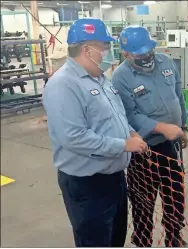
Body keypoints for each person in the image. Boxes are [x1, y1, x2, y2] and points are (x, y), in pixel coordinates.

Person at [43, 18, 148, 247]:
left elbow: (116, 114)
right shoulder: (63, 85)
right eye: (104, 47)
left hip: (114, 178)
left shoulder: (100, 79)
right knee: (95, 241)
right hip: (88, 185)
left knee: (114, 239)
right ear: (87, 49)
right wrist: (123, 145)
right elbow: (73, 137)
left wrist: (130, 133)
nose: (108, 53)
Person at [111, 26, 188, 247]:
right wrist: (160, 127)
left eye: (148, 51)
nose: (146, 57)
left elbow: (178, 95)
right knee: (143, 202)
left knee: (175, 196)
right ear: (126, 54)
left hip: (170, 147)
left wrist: (182, 125)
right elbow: (127, 115)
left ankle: (174, 235)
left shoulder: (166, 62)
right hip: (142, 150)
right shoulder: (121, 77)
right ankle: (143, 240)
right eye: (139, 54)